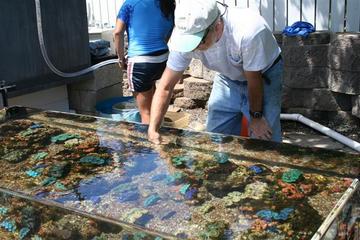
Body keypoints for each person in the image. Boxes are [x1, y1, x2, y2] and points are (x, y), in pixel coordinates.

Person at [148, 0, 283, 143]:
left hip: (264, 75)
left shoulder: (248, 31)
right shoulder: (185, 32)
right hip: (227, 77)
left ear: (217, 27)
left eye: (199, 43)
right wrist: (153, 128)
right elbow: (165, 86)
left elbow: (254, 80)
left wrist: (256, 117)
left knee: (264, 138)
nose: (193, 49)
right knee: (216, 136)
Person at [113, 0, 175, 124]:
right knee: (156, 108)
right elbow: (170, 30)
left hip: (140, 62)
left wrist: (121, 58)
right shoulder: (166, 3)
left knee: (145, 113)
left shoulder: (130, 3)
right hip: (163, 59)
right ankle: (162, 134)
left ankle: (152, 141)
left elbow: (118, 32)